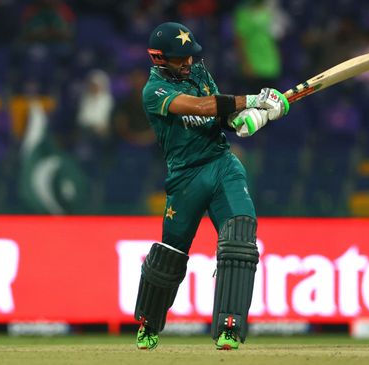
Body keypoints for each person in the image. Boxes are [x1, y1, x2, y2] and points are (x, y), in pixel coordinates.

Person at [134, 21, 289, 351]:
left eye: (190, 56)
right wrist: (253, 99)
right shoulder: (154, 91)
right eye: (180, 58)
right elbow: (200, 106)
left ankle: (229, 327)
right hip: (185, 178)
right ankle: (149, 322)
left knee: (240, 238)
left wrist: (255, 118)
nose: (188, 63)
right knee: (170, 257)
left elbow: (222, 116)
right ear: (160, 58)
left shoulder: (199, 72)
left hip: (221, 165)